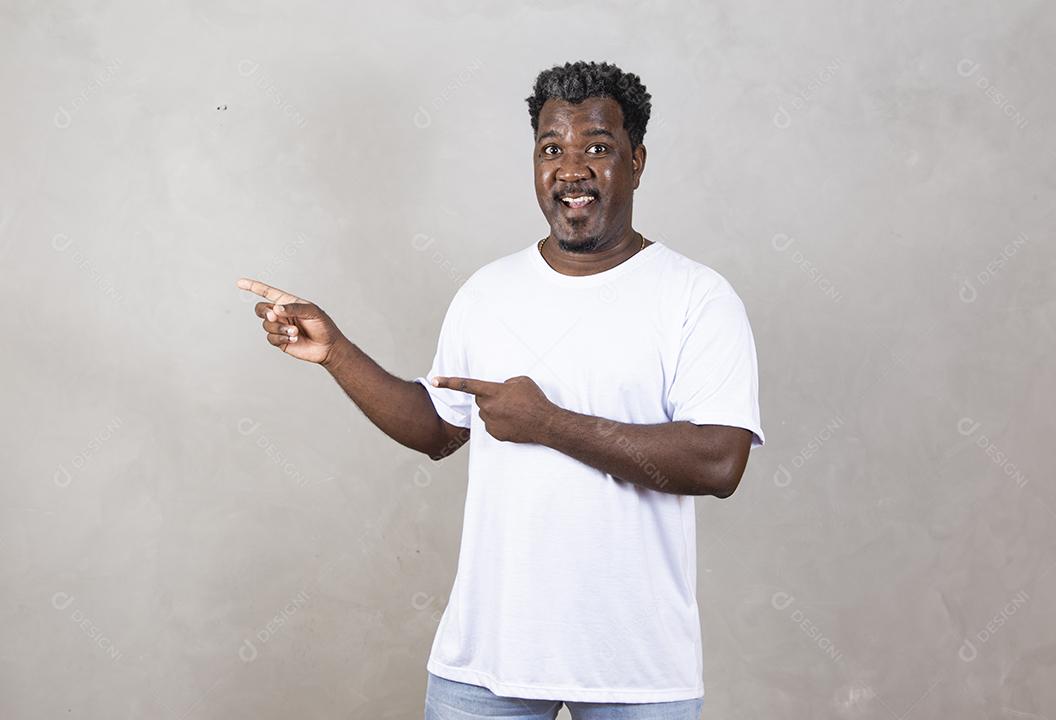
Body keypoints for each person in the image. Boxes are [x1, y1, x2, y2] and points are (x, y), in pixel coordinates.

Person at [237, 60, 764, 720]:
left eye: (597, 148)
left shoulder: (696, 297)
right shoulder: (488, 292)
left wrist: (549, 424)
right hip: (487, 662)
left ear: (637, 160)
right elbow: (438, 429)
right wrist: (336, 352)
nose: (571, 170)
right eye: (551, 149)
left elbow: (719, 461)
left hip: (637, 668)